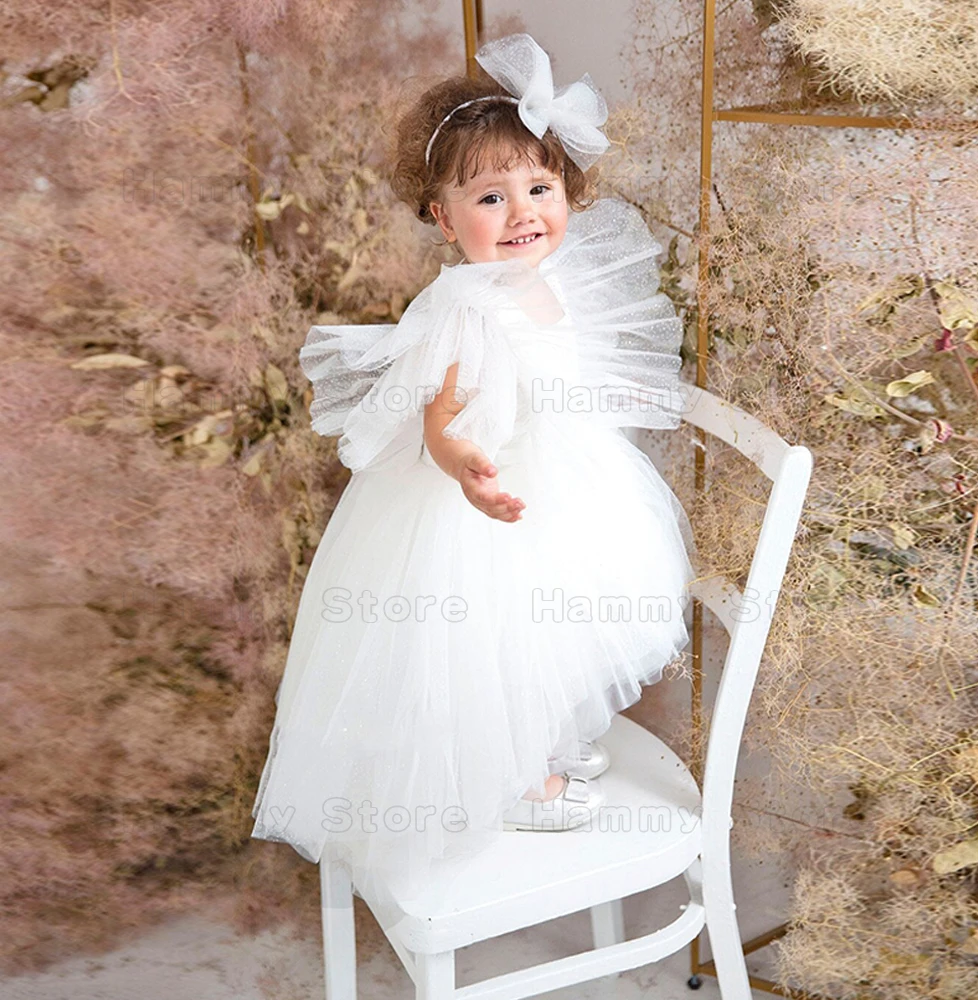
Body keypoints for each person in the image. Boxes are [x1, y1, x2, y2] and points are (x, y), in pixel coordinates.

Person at [250, 32, 693, 927]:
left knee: (565, 625)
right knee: (495, 637)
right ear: (445, 219)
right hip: (481, 504)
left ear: (570, 192)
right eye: (491, 197)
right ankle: (518, 773)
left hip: (566, 484)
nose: (523, 211)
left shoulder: (560, 275)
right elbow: (439, 416)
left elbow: (579, 368)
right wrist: (466, 473)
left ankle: (555, 731)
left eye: (541, 188)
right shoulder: (464, 300)